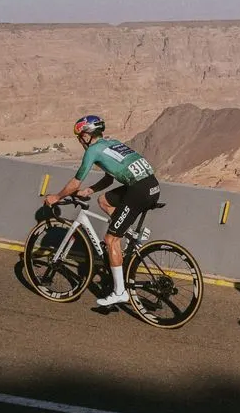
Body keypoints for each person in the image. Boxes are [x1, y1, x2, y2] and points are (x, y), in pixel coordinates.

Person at [44, 114, 160, 309]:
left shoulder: (93, 151)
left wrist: (57, 197)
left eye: (80, 136)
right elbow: (109, 178)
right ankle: (131, 233)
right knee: (104, 200)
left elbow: (75, 182)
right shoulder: (112, 143)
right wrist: (89, 191)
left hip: (138, 190)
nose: (80, 140)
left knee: (111, 239)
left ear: (87, 134)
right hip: (151, 186)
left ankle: (120, 292)